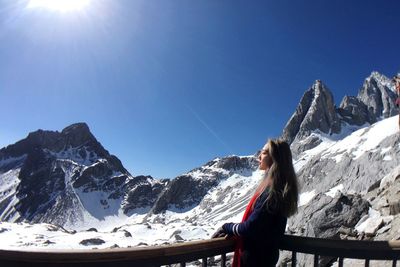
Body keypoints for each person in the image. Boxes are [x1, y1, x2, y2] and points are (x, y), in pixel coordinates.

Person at [212, 139, 299, 267]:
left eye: (263, 153)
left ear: (273, 157)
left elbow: (251, 226)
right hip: (267, 257)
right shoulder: (280, 188)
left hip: (255, 260)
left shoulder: (271, 191)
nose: (258, 156)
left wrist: (227, 227)